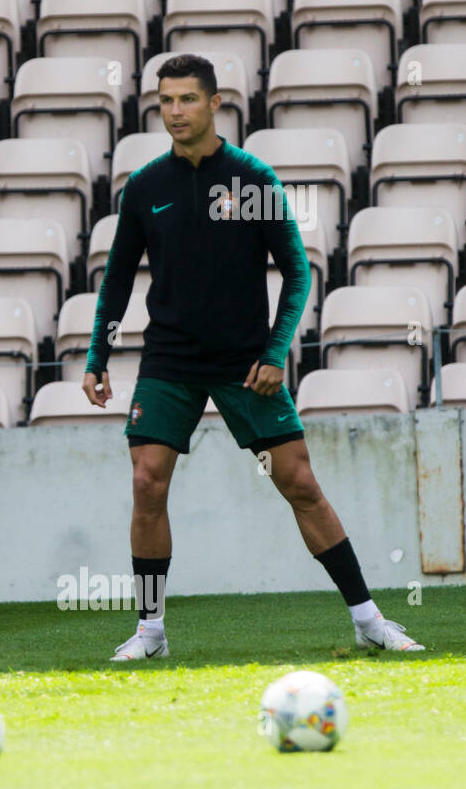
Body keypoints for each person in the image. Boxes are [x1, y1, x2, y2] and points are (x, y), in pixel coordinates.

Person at [82, 53, 424, 661]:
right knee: (146, 481)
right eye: (165, 100)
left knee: (298, 483)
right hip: (169, 361)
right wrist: (96, 355)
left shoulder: (253, 178)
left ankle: (369, 618)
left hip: (247, 363)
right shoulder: (145, 187)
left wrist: (274, 352)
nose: (175, 111)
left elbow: (297, 274)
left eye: (187, 99)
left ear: (216, 103)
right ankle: (150, 632)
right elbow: (115, 282)